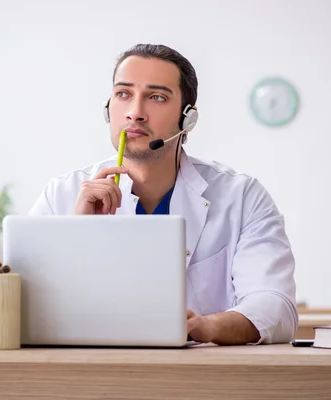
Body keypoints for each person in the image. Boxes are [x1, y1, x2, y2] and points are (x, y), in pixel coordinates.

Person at [29, 44, 298, 345]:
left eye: (156, 97)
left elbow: (276, 307)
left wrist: (206, 326)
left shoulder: (243, 197)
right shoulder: (61, 196)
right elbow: (29, 308)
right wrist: (76, 237)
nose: (135, 113)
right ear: (108, 108)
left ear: (188, 120)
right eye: (123, 94)